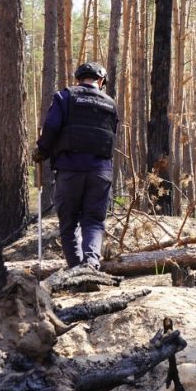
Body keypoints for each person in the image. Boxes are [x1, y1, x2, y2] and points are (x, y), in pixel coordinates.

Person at [35, 61, 118, 270]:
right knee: (94, 221)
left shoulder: (64, 97)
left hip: (70, 170)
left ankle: (75, 270)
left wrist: (42, 151)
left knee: (69, 223)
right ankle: (90, 265)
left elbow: (51, 127)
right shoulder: (111, 104)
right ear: (101, 81)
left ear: (79, 79)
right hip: (101, 172)